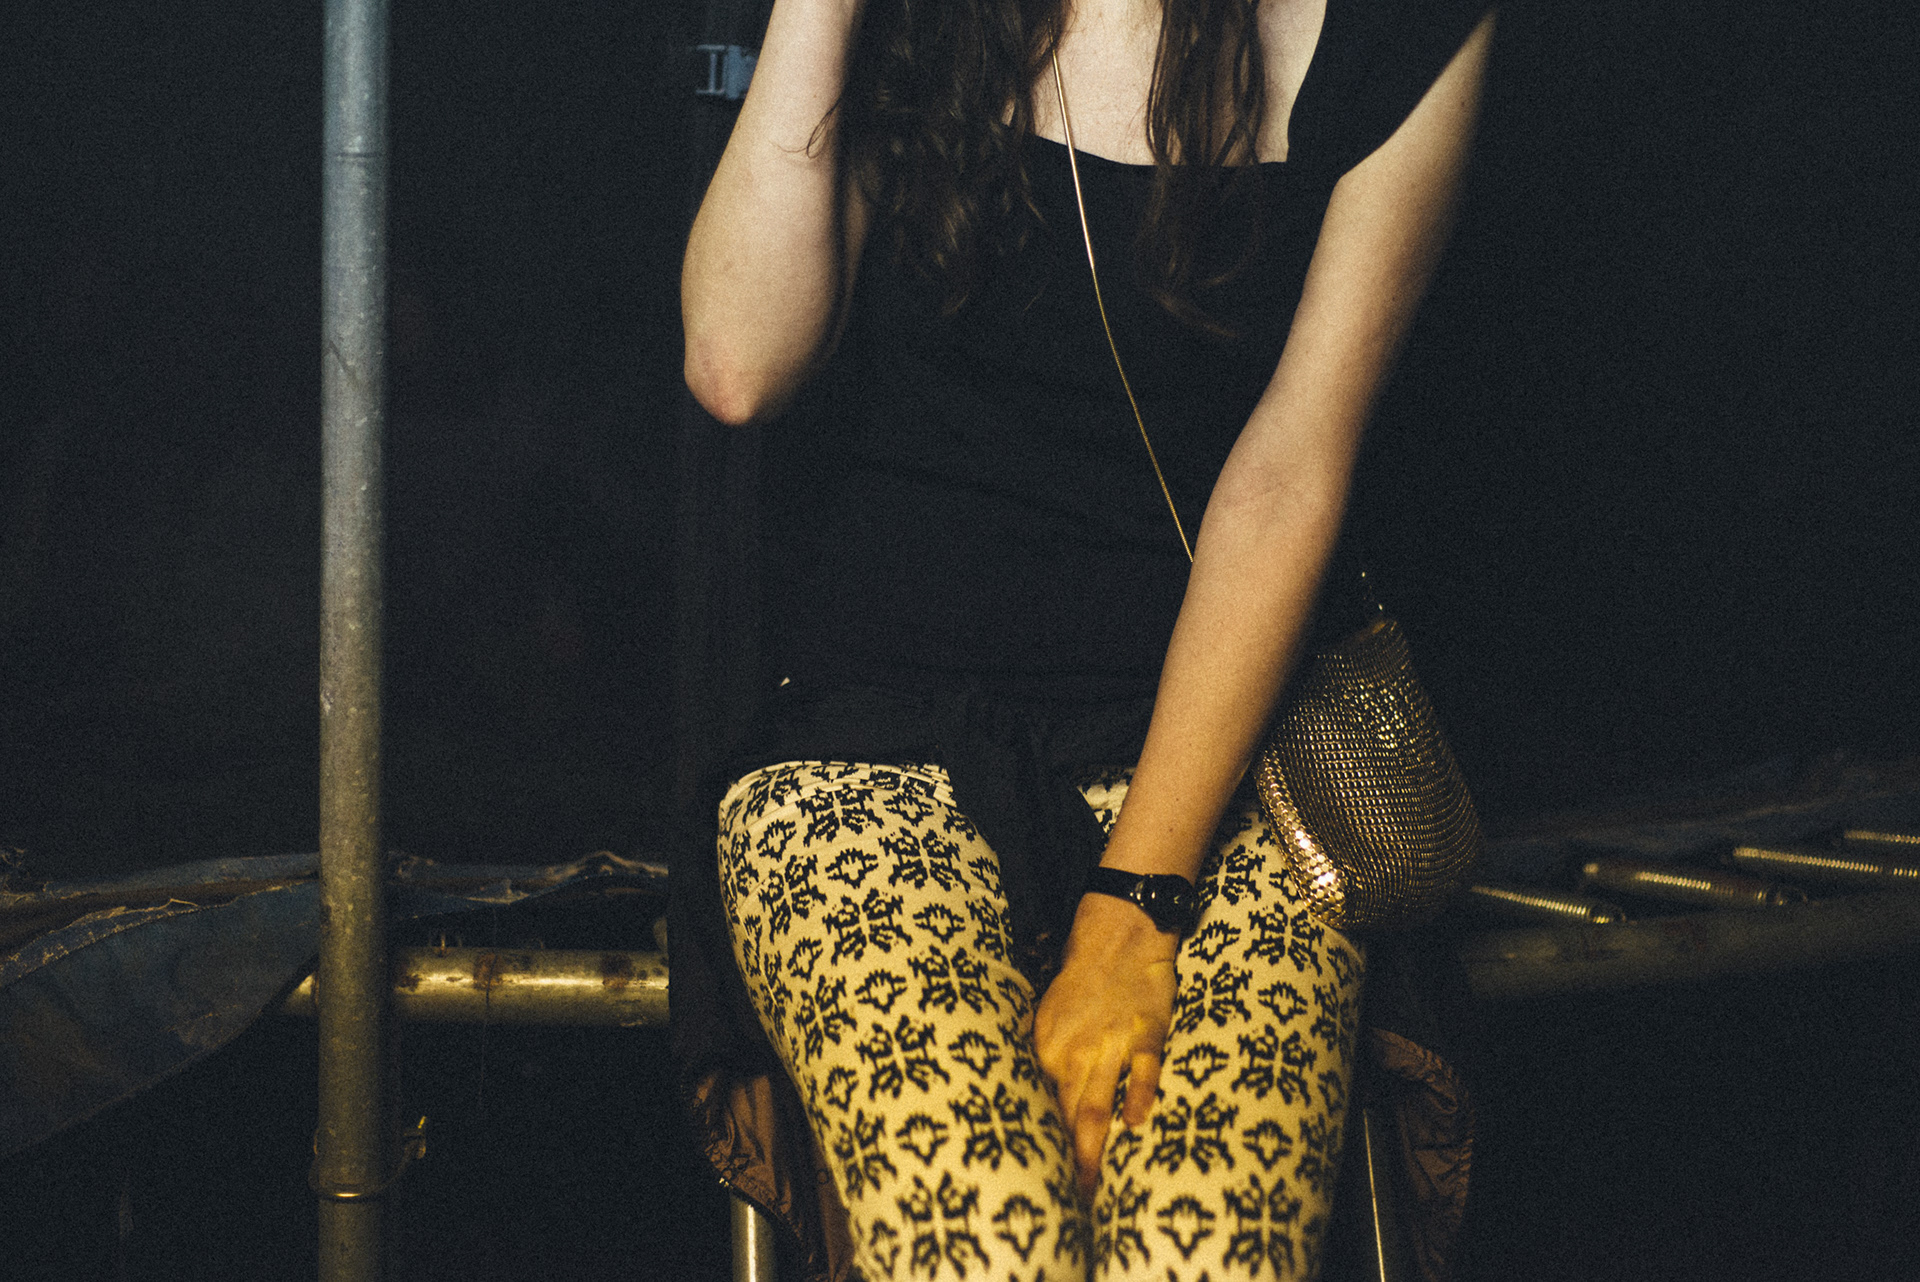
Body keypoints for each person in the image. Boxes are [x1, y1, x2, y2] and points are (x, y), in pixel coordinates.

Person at [674, 0, 1494, 1277]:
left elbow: (1293, 466)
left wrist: (1135, 902)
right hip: (870, 747)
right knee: (983, 1243)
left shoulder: (1400, 29)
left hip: (1233, 767)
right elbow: (739, 364)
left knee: (1200, 1251)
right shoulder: (915, 25)